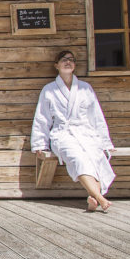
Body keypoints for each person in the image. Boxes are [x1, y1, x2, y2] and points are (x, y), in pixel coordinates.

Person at [30, 50, 115, 212]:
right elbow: (42, 118)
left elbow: (96, 116)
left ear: (75, 65)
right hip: (63, 135)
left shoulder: (85, 88)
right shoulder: (49, 90)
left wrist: (105, 142)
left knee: (96, 159)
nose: (68, 62)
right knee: (78, 159)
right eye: (64, 60)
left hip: (86, 133)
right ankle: (100, 198)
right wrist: (39, 144)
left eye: (71, 60)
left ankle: (93, 198)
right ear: (57, 65)